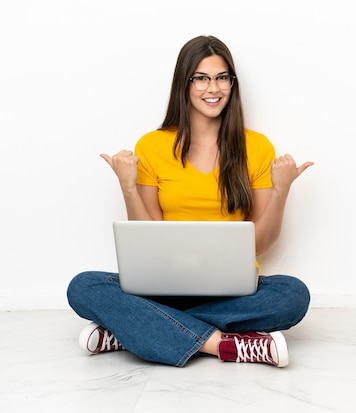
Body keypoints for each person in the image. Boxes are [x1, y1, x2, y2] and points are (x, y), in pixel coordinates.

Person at [66, 35, 313, 368]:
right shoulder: (152, 146)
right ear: (184, 83)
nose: (213, 88)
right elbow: (148, 238)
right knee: (83, 286)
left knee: (292, 295)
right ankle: (224, 345)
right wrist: (128, 186)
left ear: (232, 84)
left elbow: (260, 246)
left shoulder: (256, 147)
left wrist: (281, 190)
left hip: (232, 289)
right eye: (201, 78)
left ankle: (131, 330)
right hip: (163, 287)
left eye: (222, 77)